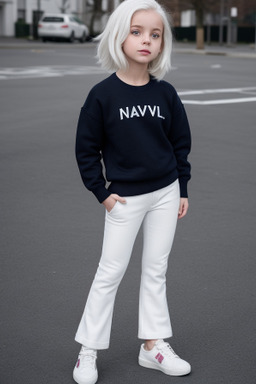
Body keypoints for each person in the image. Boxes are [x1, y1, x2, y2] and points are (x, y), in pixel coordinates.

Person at [73, 0, 192, 383]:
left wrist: (182, 188)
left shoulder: (166, 94)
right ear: (119, 35)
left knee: (156, 271)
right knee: (110, 272)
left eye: (154, 34)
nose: (146, 40)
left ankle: (152, 345)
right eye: (137, 31)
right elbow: (86, 149)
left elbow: (179, 144)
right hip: (123, 198)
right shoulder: (102, 95)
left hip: (166, 192)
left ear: (162, 43)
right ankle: (87, 351)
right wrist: (101, 193)